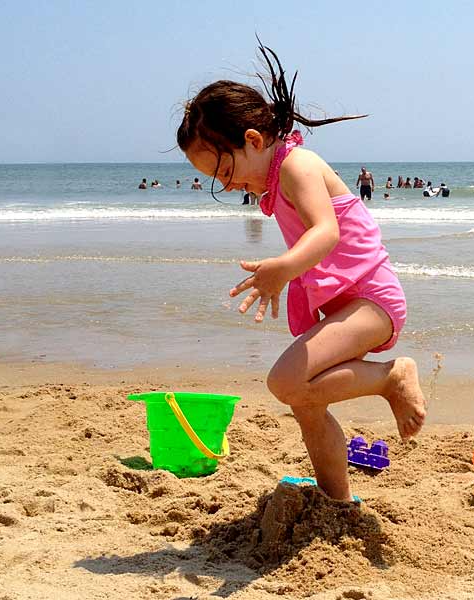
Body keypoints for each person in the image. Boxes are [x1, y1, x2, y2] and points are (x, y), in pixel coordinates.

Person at [176, 43, 426, 502]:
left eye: (224, 169)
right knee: (306, 402)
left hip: (370, 298)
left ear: (253, 140)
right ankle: (338, 500)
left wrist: (283, 269)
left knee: (284, 382)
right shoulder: (273, 180)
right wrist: (289, 274)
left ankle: (391, 377)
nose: (227, 184)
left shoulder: (297, 165)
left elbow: (326, 232)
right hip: (341, 301)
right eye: (217, 180)